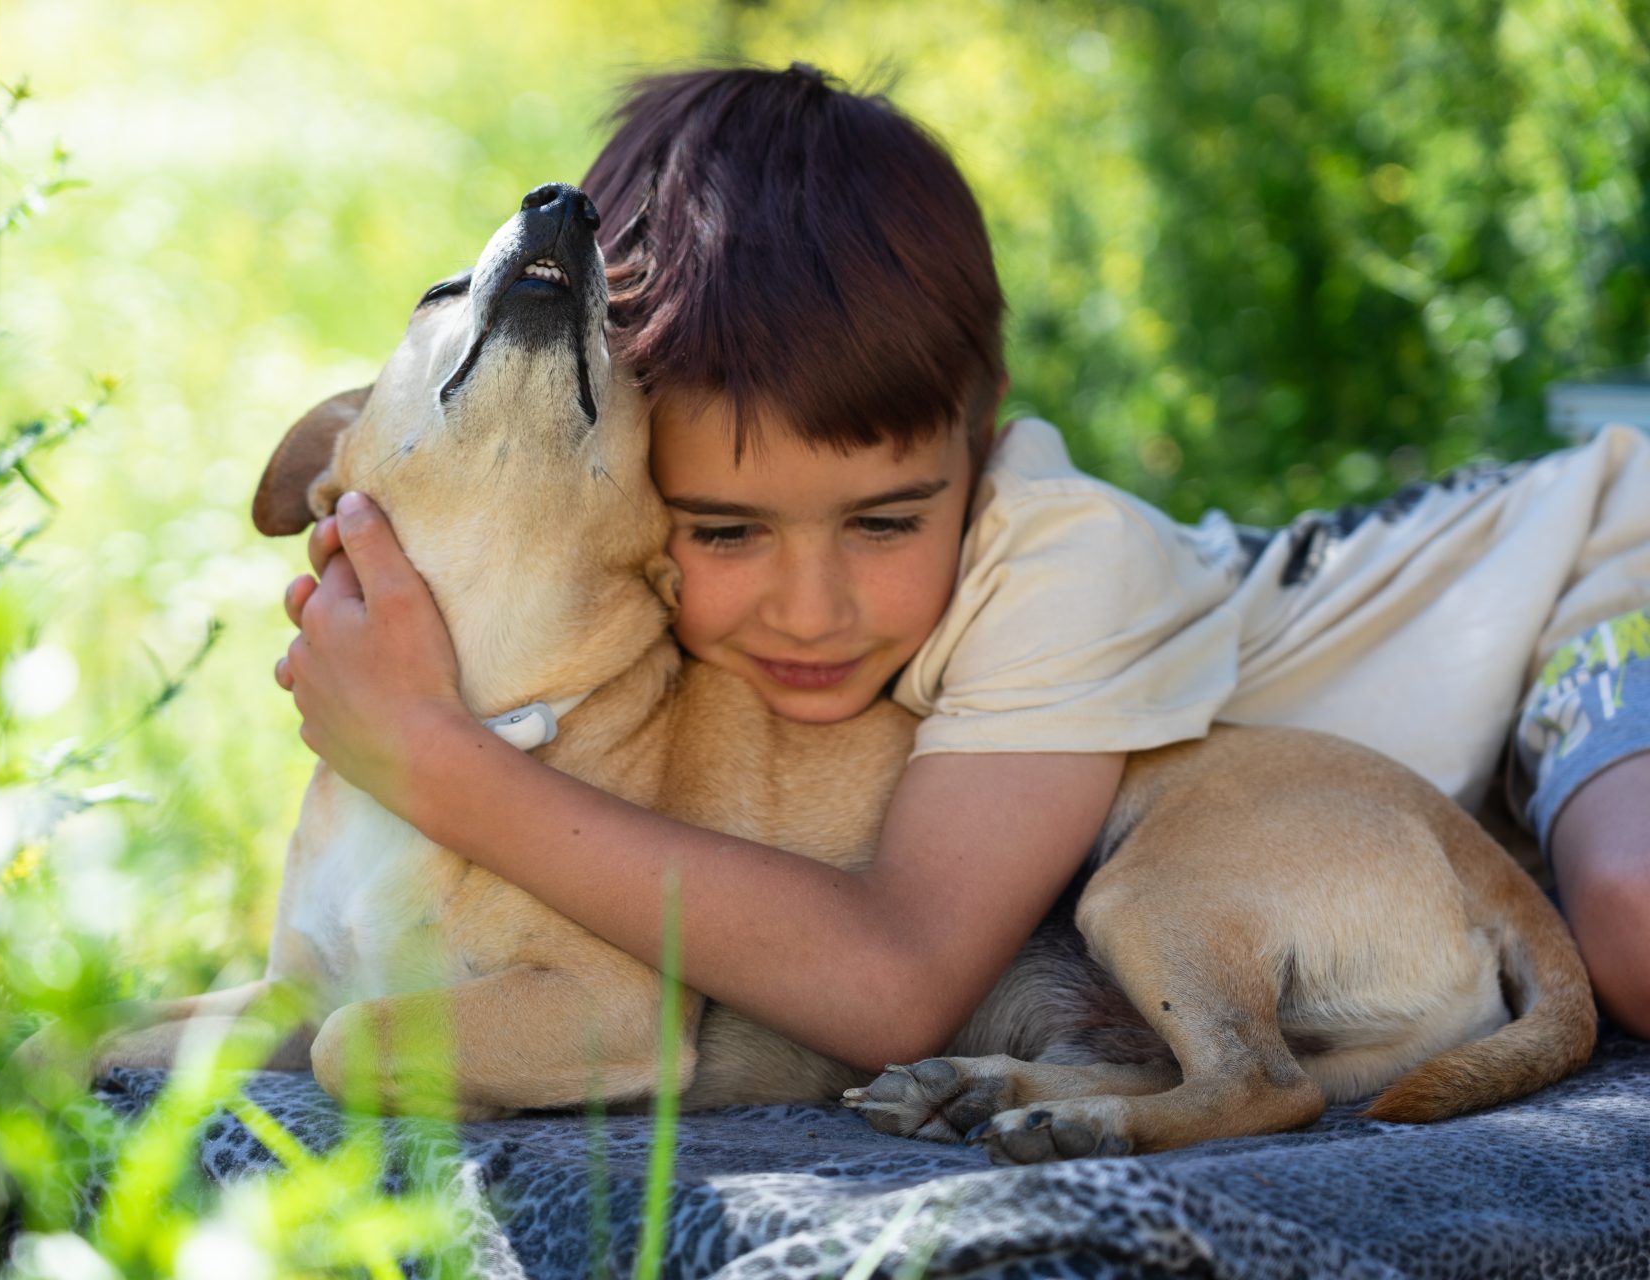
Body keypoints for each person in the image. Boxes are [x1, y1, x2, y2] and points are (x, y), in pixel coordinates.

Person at [275, 64, 1650, 1062]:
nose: (810, 608)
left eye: (883, 523)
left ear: (982, 446)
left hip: (1593, 574)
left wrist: (439, 763)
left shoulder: (1069, 563)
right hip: (1387, 832)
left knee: (1635, 924)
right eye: (723, 531)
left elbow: (897, 980)